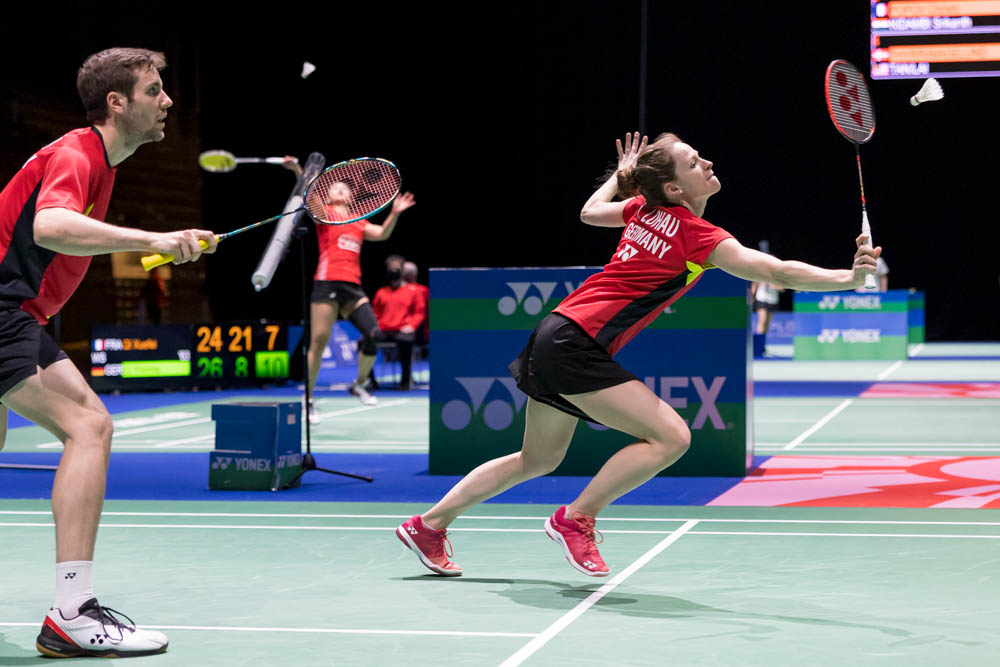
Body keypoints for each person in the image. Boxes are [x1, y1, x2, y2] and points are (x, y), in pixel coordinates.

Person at [396, 131, 881, 577]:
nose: (708, 163)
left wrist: (620, 175)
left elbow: (589, 213)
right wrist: (849, 278)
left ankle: (428, 526)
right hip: (575, 342)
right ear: (673, 188)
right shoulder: (699, 236)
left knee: (536, 459)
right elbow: (776, 272)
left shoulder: (641, 211)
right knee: (671, 437)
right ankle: (576, 518)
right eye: (694, 162)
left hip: (556, 331)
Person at [0, 48, 216, 657]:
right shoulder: (77, 153)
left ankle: (70, 613)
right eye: (153, 91)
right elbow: (50, 226)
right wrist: (154, 237)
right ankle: (72, 613)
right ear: (116, 103)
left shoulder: (99, 162)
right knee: (89, 427)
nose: (166, 101)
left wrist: (162, 246)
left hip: (18, 314)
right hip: (4, 311)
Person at [304, 180, 415, 421]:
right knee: (319, 342)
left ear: (351, 196)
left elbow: (383, 233)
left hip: (352, 286)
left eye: (344, 188)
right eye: (334, 187)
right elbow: (311, 197)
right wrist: (300, 172)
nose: (339, 189)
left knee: (374, 334)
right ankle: (308, 400)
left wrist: (395, 213)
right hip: (327, 282)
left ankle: (359, 384)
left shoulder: (359, 222)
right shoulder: (326, 214)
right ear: (328, 195)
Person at [372, 259, 425, 390]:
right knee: (364, 341)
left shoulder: (413, 291)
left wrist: (412, 326)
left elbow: (419, 312)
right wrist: (373, 327)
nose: (393, 272)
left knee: (405, 340)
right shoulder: (381, 292)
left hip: (402, 330)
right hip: (384, 330)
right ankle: (370, 380)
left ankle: (405, 379)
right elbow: (375, 313)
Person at [750, 240, 784, 357]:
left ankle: (762, 346)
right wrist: (751, 298)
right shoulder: (760, 273)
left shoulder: (777, 275)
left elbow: (781, 288)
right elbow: (754, 285)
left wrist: (771, 283)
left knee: (768, 325)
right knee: (762, 322)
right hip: (761, 299)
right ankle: (757, 348)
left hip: (772, 300)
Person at [402, 260, 430, 349]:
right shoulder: (424, 290)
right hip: (407, 333)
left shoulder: (423, 291)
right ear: (415, 275)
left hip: (416, 333)